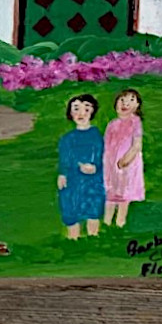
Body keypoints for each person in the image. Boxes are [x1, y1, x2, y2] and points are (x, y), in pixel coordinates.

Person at [57, 93, 106, 239]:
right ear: (70, 113)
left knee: (93, 207)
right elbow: (64, 158)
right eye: (76, 109)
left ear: (92, 112)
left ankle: (93, 237)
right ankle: (73, 238)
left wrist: (95, 166)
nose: (81, 113)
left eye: (86, 109)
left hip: (93, 180)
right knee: (71, 208)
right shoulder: (67, 138)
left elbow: (100, 153)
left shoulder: (96, 134)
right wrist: (62, 174)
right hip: (73, 179)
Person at [103, 89, 145, 228]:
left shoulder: (135, 122)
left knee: (124, 194)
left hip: (127, 164)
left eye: (131, 100)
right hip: (111, 164)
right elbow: (106, 146)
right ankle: (107, 222)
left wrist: (126, 160)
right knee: (111, 193)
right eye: (122, 100)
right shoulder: (112, 124)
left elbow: (137, 145)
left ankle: (120, 222)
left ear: (137, 105)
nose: (125, 104)